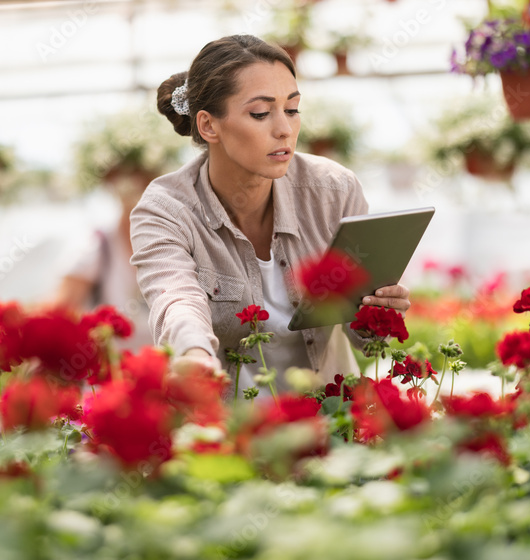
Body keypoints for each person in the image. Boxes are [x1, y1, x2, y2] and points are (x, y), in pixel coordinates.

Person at [129, 34, 410, 392]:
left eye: (292, 109)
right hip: (230, 431)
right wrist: (194, 354)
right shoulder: (165, 210)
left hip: (332, 419)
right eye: (261, 113)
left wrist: (378, 310)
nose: (284, 129)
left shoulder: (334, 190)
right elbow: (175, 296)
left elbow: (365, 337)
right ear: (208, 125)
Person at [54, 169, 154, 350]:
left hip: (165, 371)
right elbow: (60, 314)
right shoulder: (94, 245)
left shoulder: (179, 244)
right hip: (107, 372)